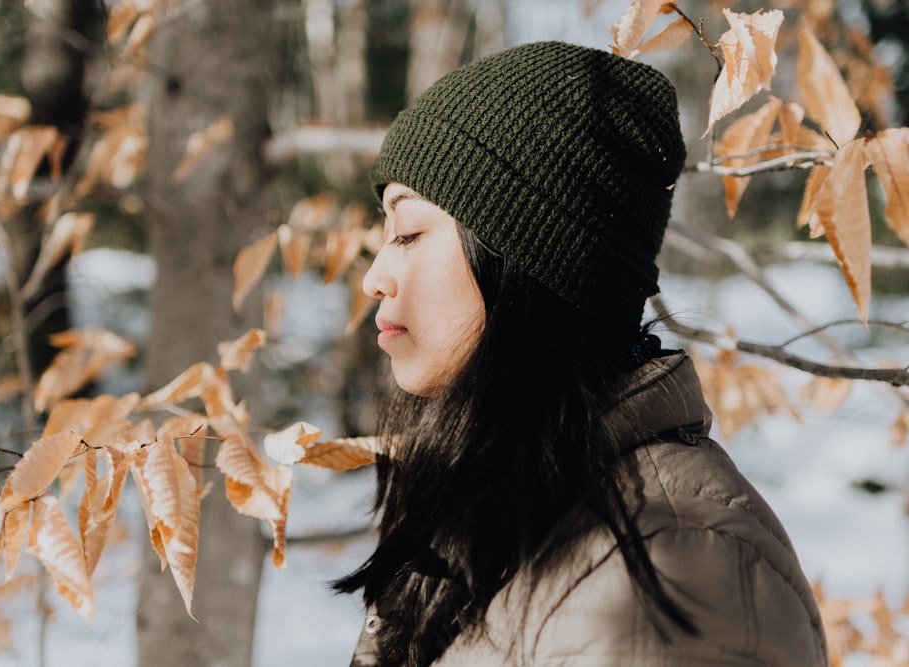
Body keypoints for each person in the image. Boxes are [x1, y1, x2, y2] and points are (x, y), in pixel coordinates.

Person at [334, 41, 828, 666]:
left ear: (531, 261)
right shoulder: (501, 508)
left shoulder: (671, 561)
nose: (373, 276)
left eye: (408, 232)